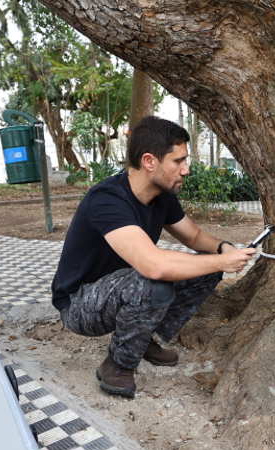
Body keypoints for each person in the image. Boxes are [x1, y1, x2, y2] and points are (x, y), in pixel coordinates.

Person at [51, 116, 255, 398]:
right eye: (178, 161)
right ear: (149, 161)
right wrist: (222, 261)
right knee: (152, 283)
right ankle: (119, 364)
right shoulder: (106, 199)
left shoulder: (161, 195)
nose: (186, 170)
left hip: (124, 288)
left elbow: (194, 237)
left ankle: (139, 338)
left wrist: (223, 249)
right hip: (79, 304)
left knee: (205, 267)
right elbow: (154, 266)